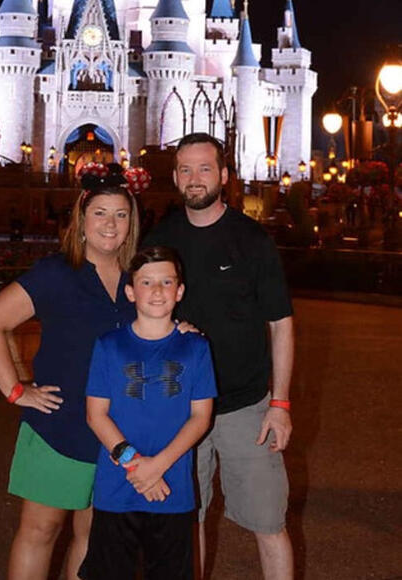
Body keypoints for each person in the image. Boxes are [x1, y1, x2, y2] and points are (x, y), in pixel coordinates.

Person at [0, 170, 140, 580]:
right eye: (100, 213)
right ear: (81, 219)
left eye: (120, 215)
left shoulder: (137, 278)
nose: (110, 223)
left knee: (93, 533)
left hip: (116, 428)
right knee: (41, 529)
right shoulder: (57, 272)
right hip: (60, 423)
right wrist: (16, 391)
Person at [144, 133, 295, 580]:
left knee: (269, 522)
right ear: (175, 178)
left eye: (205, 168)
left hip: (245, 407)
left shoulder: (251, 239)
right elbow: (140, 310)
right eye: (186, 170)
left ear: (224, 175)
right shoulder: (161, 239)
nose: (195, 178)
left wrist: (280, 404)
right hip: (179, 406)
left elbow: (281, 324)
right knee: (186, 521)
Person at [79, 246, 216, 580]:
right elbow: (96, 415)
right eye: (146, 282)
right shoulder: (109, 345)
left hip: (172, 488)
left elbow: (201, 417)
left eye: (167, 282)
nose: (157, 290)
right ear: (130, 292)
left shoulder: (196, 348)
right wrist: (135, 465)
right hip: (117, 488)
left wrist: (158, 466)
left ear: (179, 291)